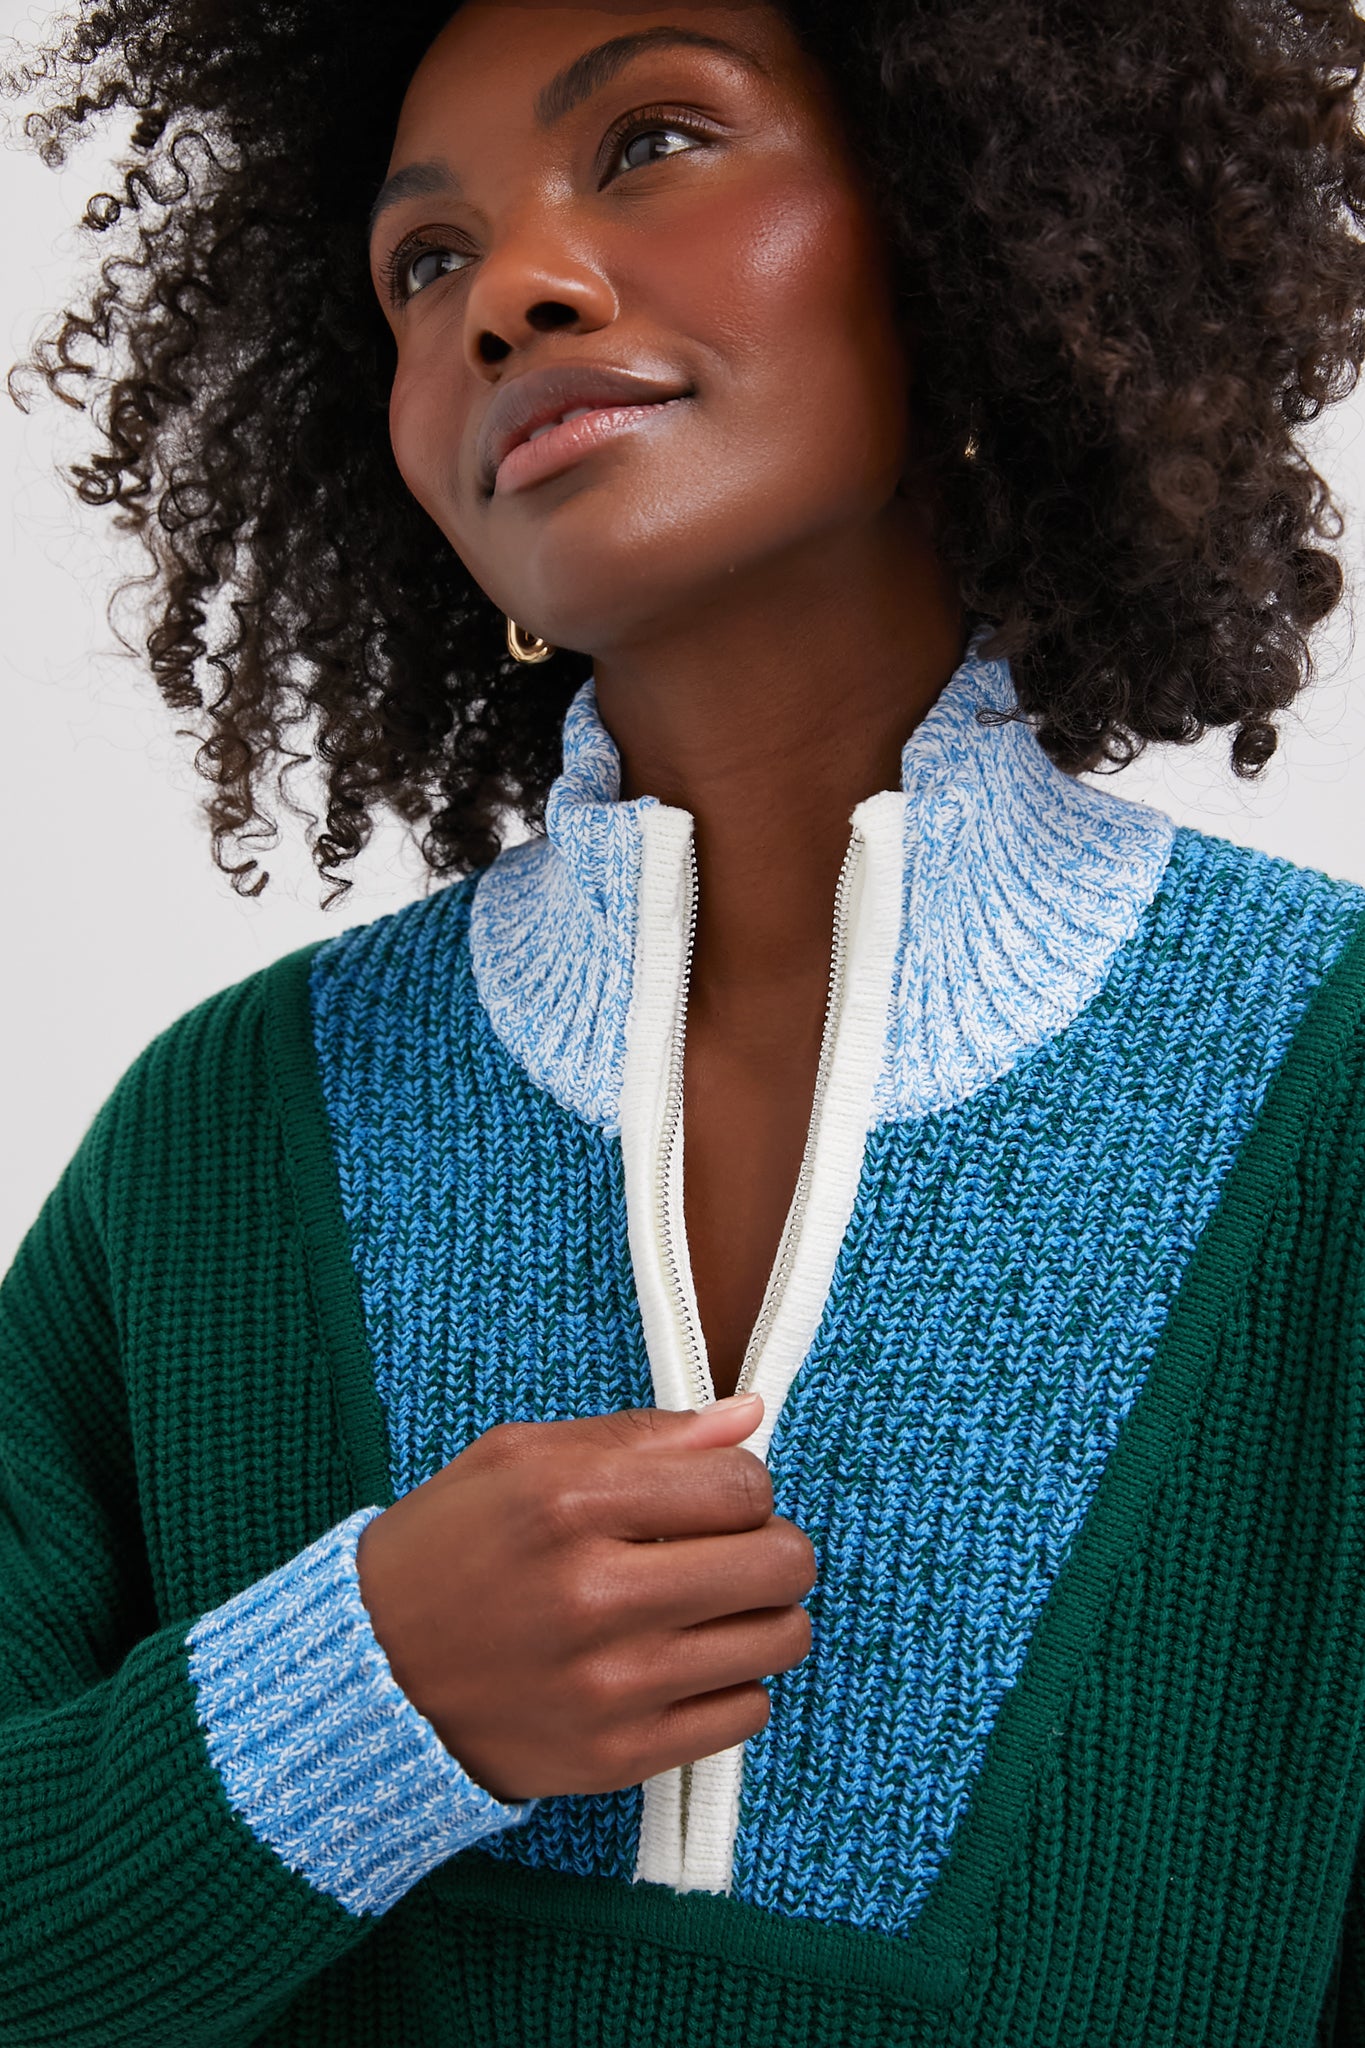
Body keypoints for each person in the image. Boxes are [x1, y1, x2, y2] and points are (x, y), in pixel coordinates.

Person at [4, 0, 1365, 2040]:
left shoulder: (1328, 1087)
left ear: (955, 222)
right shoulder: (220, 1136)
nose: (509, 292)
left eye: (649, 142)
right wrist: (351, 1701)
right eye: (422, 260)